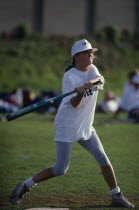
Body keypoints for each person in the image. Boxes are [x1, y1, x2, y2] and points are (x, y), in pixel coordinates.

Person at [10, 39, 134, 208]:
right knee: (61, 169)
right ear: (77, 56)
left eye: (92, 52)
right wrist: (80, 93)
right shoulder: (69, 77)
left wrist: (90, 83)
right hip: (67, 125)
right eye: (87, 52)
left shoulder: (92, 69)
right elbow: (75, 104)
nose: (91, 55)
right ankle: (26, 184)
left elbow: (101, 79)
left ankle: (116, 195)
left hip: (85, 125)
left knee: (103, 158)